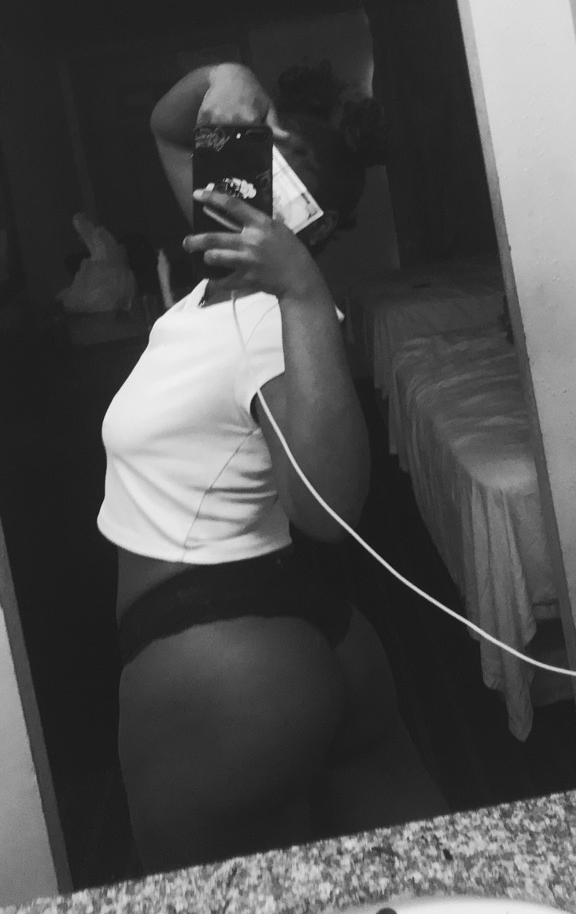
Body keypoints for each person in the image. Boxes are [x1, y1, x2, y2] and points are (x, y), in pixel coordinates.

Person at [97, 61, 447, 875]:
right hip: (291, 630)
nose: (223, 167)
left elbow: (328, 511)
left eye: (250, 157)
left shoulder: (276, 317)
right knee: (414, 870)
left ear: (283, 200)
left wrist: (301, 291)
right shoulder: (218, 282)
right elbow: (167, 125)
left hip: (222, 670)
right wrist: (227, 76)